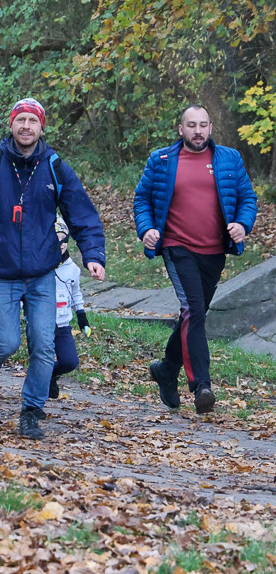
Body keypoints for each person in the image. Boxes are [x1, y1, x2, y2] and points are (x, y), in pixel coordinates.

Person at [0, 97, 106, 440]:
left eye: (32, 121)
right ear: (11, 125)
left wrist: (93, 254)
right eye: (20, 120)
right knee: (4, 343)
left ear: (41, 127)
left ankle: (31, 411)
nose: (26, 127)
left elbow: (82, 215)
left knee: (44, 347)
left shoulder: (55, 167)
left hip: (41, 273)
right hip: (0, 272)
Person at [134, 104, 256, 414]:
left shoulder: (230, 159)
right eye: (191, 125)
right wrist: (147, 229)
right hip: (177, 247)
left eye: (203, 124)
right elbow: (142, 199)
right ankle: (201, 385)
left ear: (211, 128)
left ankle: (165, 370)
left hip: (214, 250)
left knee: (193, 315)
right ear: (181, 129)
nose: (197, 130)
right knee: (194, 310)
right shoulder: (161, 160)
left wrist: (242, 224)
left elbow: (247, 198)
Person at [25, 216, 90, 400]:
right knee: (38, 362)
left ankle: (51, 375)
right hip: (40, 324)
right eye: (56, 239)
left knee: (70, 361)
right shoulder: (38, 266)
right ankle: (34, 403)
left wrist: (82, 316)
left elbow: (76, 294)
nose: (61, 244)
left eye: (64, 239)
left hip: (62, 325)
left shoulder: (73, 270)